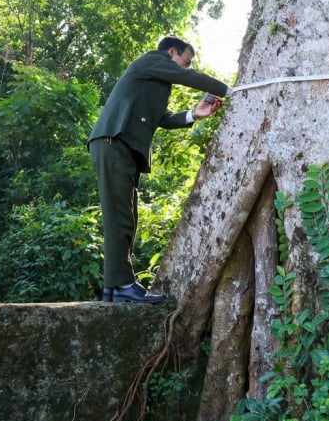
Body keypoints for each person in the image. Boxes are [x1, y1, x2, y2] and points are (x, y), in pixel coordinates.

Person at [89, 36, 230, 304]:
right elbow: (185, 77)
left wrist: (194, 114)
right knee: (119, 217)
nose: (186, 68)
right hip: (113, 141)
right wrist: (227, 90)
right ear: (172, 52)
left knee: (125, 217)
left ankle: (113, 289)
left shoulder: (154, 82)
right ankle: (122, 285)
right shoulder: (152, 60)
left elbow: (162, 118)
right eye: (185, 62)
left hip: (123, 148)